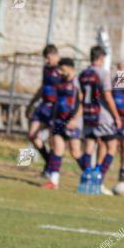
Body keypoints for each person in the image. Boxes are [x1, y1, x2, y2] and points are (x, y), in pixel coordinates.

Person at [79, 46, 122, 194]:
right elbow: (108, 96)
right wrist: (116, 116)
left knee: (90, 146)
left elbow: (81, 96)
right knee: (112, 147)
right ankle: (99, 178)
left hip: (88, 114)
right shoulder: (103, 74)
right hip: (102, 116)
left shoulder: (83, 74)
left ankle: (86, 177)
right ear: (101, 58)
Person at [43, 58, 83, 189]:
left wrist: (75, 119)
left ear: (70, 67)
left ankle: (91, 176)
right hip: (59, 121)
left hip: (72, 122)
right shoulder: (61, 82)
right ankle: (54, 181)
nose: (59, 72)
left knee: (75, 152)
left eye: (62, 69)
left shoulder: (77, 83)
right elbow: (57, 101)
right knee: (57, 149)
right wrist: (53, 119)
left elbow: (82, 103)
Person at [27, 45, 61, 173]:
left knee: (54, 141)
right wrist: (31, 104)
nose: (46, 61)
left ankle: (50, 169)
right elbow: (43, 87)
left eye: (48, 58)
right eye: (45, 58)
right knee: (32, 135)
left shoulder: (61, 70)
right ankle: (47, 163)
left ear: (55, 55)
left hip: (55, 109)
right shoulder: (46, 68)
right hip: (43, 106)